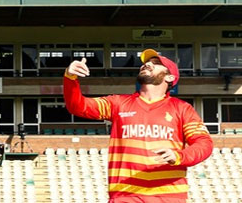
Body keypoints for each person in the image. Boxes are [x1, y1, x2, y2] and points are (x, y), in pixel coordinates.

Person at [64, 49, 213, 203]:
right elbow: (78, 106)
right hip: (125, 196)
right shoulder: (118, 103)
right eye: (146, 62)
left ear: (170, 77)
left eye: (156, 63)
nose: (147, 64)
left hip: (168, 197)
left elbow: (204, 144)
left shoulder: (182, 108)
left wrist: (178, 156)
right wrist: (70, 77)